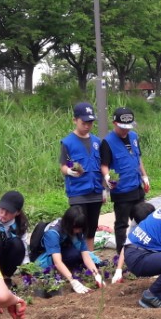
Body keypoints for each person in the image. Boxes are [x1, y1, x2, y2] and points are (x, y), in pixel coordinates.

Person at [100, 107, 150, 254]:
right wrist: (107, 177)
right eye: (122, 128)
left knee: (144, 219)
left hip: (137, 187)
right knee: (121, 224)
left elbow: (138, 158)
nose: (125, 131)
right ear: (114, 123)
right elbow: (104, 165)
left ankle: (143, 249)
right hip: (121, 191)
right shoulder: (107, 142)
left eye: (127, 128)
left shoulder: (134, 136)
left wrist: (144, 176)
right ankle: (121, 253)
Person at [61, 102, 104, 252]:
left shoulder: (97, 142)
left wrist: (104, 189)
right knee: (78, 225)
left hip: (96, 191)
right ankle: (77, 256)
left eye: (90, 123)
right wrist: (69, 171)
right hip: (78, 192)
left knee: (92, 227)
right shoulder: (68, 143)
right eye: (84, 122)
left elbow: (101, 166)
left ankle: (90, 256)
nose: (87, 126)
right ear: (75, 120)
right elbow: (64, 165)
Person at [34, 205, 103, 294]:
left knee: (92, 261)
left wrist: (96, 275)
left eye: (80, 228)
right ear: (68, 223)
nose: (78, 231)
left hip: (64, 251)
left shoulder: (78, 231)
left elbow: (85, 255)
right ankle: (61, 274)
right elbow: (57, 262)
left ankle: (69, 271)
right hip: (46, 259)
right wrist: (73, 281)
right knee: (72, 254)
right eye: (76, 228)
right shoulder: (53, 233)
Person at [0, 190, 29, 285]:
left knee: (18, 244)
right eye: (2, 209)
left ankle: (5, 278)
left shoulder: (19, 225)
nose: (3, 214)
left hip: (4, 259)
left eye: (9, 211)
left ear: (17, 213)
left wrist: (27, 268)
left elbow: (24, 249)